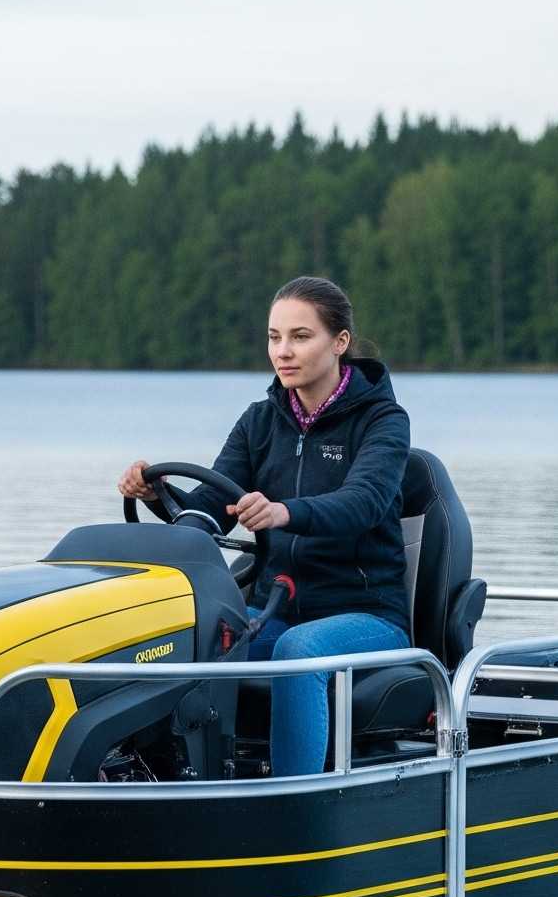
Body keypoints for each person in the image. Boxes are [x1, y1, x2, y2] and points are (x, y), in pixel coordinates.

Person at [118, 276, 411, 776]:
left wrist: (283, 512)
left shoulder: (382, 420)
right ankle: (180, 779)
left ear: (339, 343)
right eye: (275, 337)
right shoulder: (260, 421)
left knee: (300, 650)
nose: (283, 351)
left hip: (367, 615)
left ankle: (294, 803)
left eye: (301, 336)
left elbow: (363, 503)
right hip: (277, 607)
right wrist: (157, 496)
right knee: (189, 634)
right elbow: (209, 508)